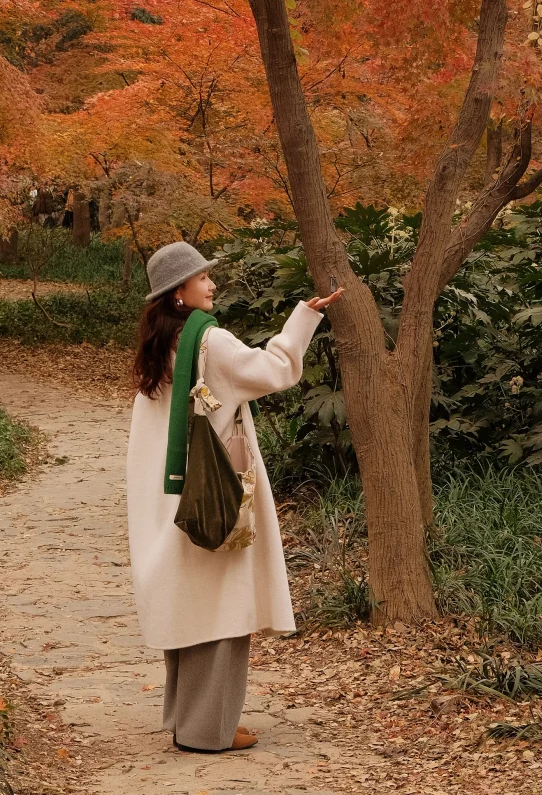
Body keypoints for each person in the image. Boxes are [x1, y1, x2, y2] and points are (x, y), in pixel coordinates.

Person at [127, 239, 342, 755]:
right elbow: (272, 373)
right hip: (212, 492)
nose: (212, 284)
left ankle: (188, 721)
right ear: (179, 292)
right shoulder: (210, 341)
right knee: (221, 607)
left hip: (170, 492)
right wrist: (301, 321)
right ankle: (209, 732)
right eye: (202, 278)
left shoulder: (163, 345)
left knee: (190, 604)